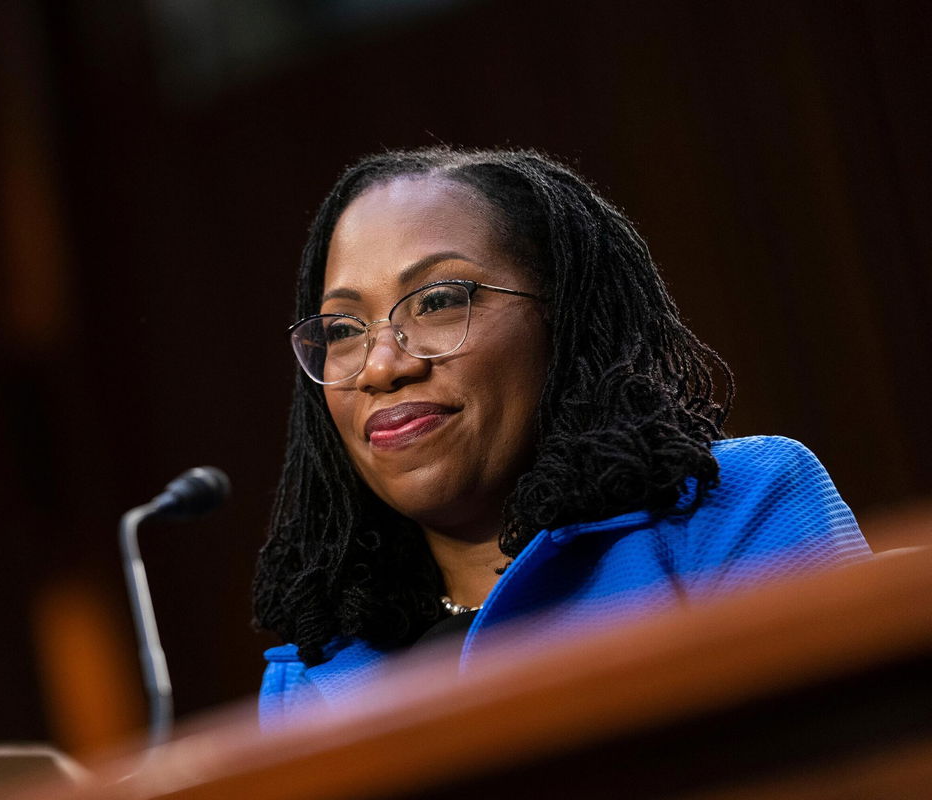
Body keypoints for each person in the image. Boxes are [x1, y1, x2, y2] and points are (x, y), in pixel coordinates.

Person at [252, 147, 871, 723]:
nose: (383, 365)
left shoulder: (732, 513)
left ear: (565, 319)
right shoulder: (306, 684)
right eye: (342, 330)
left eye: (438, 301)